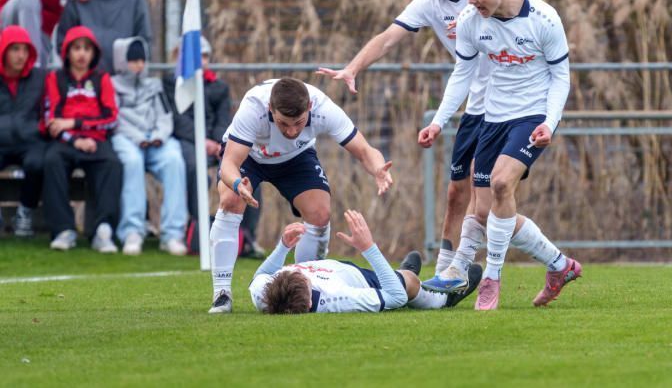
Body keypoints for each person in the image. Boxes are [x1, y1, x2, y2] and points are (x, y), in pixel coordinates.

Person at [318, 0, 514, 278]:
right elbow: (387, 38)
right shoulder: (428, 4)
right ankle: (445, 270)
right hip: (474, 101)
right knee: (457, 190)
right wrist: (353, 67)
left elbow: (522, 23)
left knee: (486, 197)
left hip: (510, 102)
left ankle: (462, 269)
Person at [418, 0, 581, 310]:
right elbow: (461, 75)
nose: (471, 2)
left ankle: (490, 278)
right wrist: (438, 121)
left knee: (502, 183)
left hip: (532, 116)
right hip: (493, 118)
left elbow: (561, 77)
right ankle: (559, 265)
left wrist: (548, 123)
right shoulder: (470, 21)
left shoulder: (543, 18)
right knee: (483, 214)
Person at [208, 77, 393, 314]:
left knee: (320, 212)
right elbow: (229, 164)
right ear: (270, 110)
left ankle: (306, 284)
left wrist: (378, 169)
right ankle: (222, 294)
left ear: (309, 109)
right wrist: (236, 184)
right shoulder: (253, 108)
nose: (292, 130)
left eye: (299, 123)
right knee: (230, 200)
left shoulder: (324, 109)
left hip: (295, 158)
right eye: (284, 124)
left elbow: (365, 151)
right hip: (251, 158)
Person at [250, 209, 482, 314]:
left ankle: (397, 271)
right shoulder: (337, 299)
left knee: (399, 275)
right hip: (358, 279)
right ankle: (443, 299)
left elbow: (259, 275)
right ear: (311, 302)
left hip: (337, 269)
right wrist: (367, 247)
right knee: (408, 283)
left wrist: (283, 246)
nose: (303, 271)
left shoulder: (264, 292)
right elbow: (396, 298)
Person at [41, 25, 122, 253]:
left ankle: (103, 230)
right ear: (67, 52)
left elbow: (111, 118)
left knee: (113, 164)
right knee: (51, 162)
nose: (82, 54)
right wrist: (74, 139)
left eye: (87, 49)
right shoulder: (55, 78)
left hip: (96, 140)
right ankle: (63, 230)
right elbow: (52, 120)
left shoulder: (101, 78)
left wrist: (77, 124)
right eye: (77, 48)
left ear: (93, 53)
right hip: (66, 142)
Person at [110, 37, 188, 256]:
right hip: (126, 139)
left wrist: (158, 136)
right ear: (122, 61)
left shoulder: (154, 85)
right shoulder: (112, 85)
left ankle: (172, 234)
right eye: (133, 60)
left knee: (174, 159)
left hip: (155, 140)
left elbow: (165, 115)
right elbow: (114, 119)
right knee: (132, 162)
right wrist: (137, 138)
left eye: (142, 60)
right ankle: (132, 232)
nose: (139, 65)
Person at [162, 37, 232, 229]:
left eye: (205, 56)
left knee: (241, 167)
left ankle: (246, 234)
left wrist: (218, 142)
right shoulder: (172, 83)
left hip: (215, 143)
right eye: (196, 56)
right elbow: (177, 118)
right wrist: (201, 141)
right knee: (194, 167)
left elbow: (223, 118)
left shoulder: (220, 87)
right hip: (187, 140)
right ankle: (197, 227)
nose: (201, 61)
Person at [0, 25, 47, 237]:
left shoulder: (41, 78)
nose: (20, 55)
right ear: (4, 51)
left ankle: (25, 213)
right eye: (15, 49)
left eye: (25, 50)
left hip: (30, 140)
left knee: (37, 163)